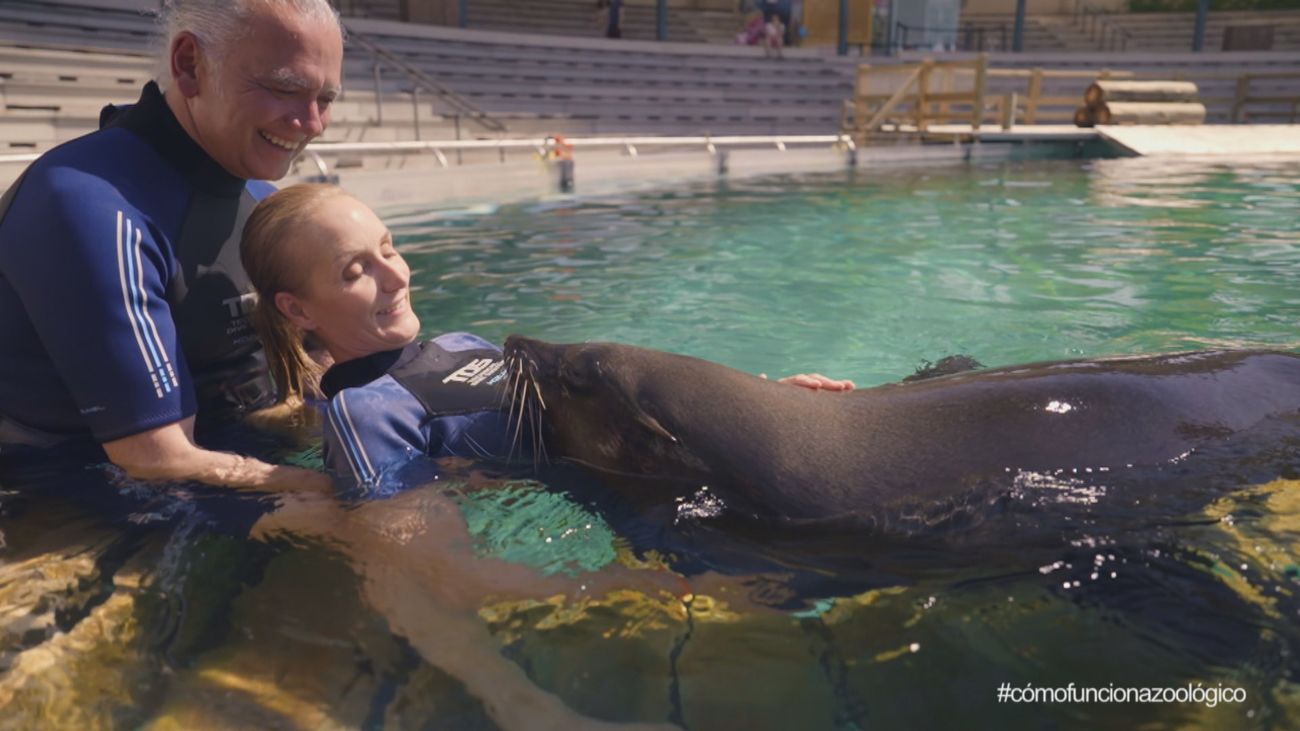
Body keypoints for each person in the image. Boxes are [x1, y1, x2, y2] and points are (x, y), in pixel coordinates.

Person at [239, 183, 855, 491]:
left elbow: (597, 411)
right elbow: (420, 564)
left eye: (388, 248)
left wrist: (757, 408)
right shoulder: (366, 413)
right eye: (356, 271)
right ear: (299, 309)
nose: (396, 275)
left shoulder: (458, 341)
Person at [0, 0, 343, 491]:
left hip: (244, 462)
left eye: (325, 99)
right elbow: (155, 460)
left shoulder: (262, 200)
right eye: (284, 88)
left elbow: (316, 359)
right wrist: (348, 496)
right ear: (190, 65)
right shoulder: (89, 205)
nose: (311, 123)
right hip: (82, 502)